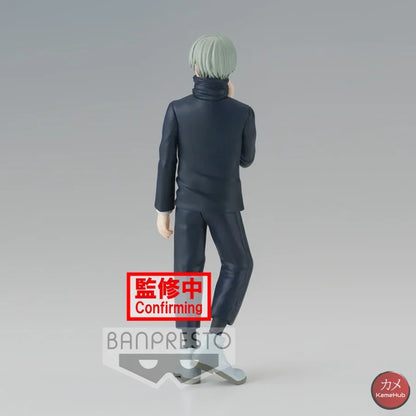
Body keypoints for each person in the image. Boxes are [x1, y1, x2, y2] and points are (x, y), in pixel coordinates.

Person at [154, 34, 256, 384]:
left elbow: (166, 162)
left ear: (195, 67)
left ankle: (188, 358)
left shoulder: (177, 109)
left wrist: (163, 210)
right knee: (239, 264)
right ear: (229, 69)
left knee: (186, 273)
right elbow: (246, 159)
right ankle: (213, 343)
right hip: (224, 204)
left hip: (186, 205)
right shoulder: (242, 112)